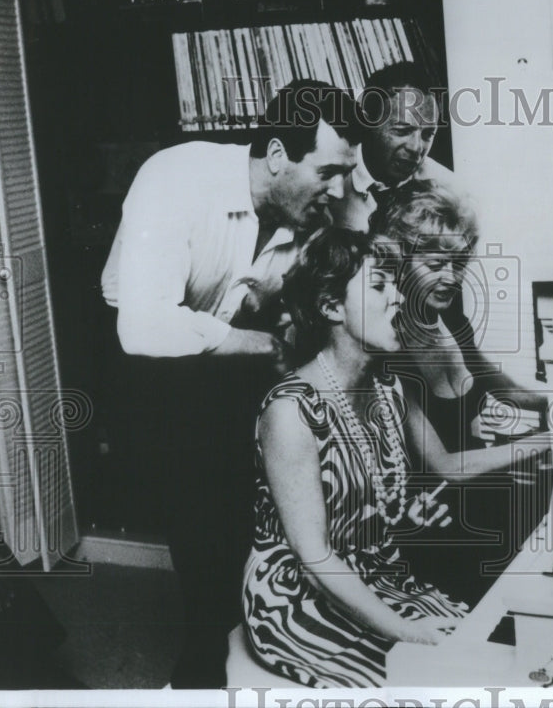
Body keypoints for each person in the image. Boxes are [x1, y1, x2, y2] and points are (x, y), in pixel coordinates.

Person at [100, 80, 362, 688]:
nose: (339, 189)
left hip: (227, 335)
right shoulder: (173, 179)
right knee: (199, 505)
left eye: (346, 174)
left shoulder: (308, 206)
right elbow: (141, 325)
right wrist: (266, 343)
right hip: (144, 349)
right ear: (276, 155)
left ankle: (261, 641)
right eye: (327, 171)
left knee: (260, 493)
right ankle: (200, 672)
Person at [242, 228, 550, 687]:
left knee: (485, 651)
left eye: (396, 286)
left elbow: (447, 466)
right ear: (331, 307)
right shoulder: (289, 413)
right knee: (425, 676)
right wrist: (406, 630)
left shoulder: (390, 389)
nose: (400, 300)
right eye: (379, 286)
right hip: (299, 596)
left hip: (377, 575)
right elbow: (316, 557)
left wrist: (548, 443)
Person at [369, 180, 553, 606]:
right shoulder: (385, 347)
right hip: (434, 523)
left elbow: (499, 384)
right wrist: (546, 441)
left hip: (481, 496)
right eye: (436, 264)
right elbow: (445, 466)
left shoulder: (448, 317)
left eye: (460, 262)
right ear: (398, 261)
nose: (451, 278)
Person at [329, 61, 457, 231]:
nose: (416, 148)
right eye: (402, 130)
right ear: (366, 122)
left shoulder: (448, 192)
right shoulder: (326, 179)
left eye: (428, 135)